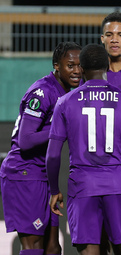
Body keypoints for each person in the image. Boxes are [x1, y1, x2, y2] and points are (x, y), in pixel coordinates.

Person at [46, 44, 121, 255]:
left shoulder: (65, 102)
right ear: (106, 66)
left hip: (82, 186)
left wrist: (54, 189)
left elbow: (53, 154)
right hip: (117, 184)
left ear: (82, 68)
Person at [0, 41, 82, 255]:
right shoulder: (42, 92)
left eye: (80, 66)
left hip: (43, 175)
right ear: (57, 66)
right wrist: (61, 131)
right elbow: (25, 140)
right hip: (24, 172)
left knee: (53, 247)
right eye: (70, 65)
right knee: (34, 246)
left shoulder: (67, 92)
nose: (77, 71)